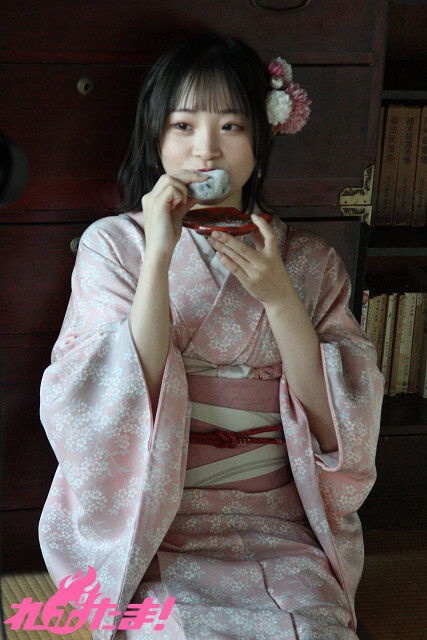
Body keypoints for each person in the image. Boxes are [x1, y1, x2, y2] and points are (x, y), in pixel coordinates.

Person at [39, 33, 384, 640]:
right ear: (155, 137)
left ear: (263, 136)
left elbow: (339, 428)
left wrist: (280, 297)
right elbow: (110, 403)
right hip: (153, 520)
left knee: (314, 631)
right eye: (183, 126)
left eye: (230, 126)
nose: (205, 149)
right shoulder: (113, 247)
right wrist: (157, 257)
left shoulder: (310, 262)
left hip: (280, 520)